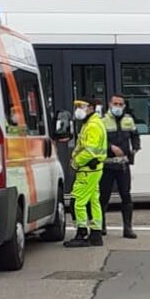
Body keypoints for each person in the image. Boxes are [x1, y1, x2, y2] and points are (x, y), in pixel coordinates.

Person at [64, 98, 107, 248]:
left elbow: (89, 150)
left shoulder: (92, 125)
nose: (78, 109)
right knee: (94, 201)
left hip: (87, 169)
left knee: (78, 202)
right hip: (93, 169)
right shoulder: (91, 123)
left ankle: (81, 233)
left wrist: (75, 162)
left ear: (91, 107)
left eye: (81, 106)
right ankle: (95, 234)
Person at [99, 93, 141, 239]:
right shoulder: (102, 120)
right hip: (107, 165)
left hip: (123, 165)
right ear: (110, 104)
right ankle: (101, 225)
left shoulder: (128, 120)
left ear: (124, 106)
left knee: (126, 196)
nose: (117, 107)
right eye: (115, 104)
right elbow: (98, 140)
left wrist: (135, 148)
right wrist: (111, 148)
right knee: (103, 197)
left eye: (120, 104)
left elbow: (135, 135)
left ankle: (128, 228)